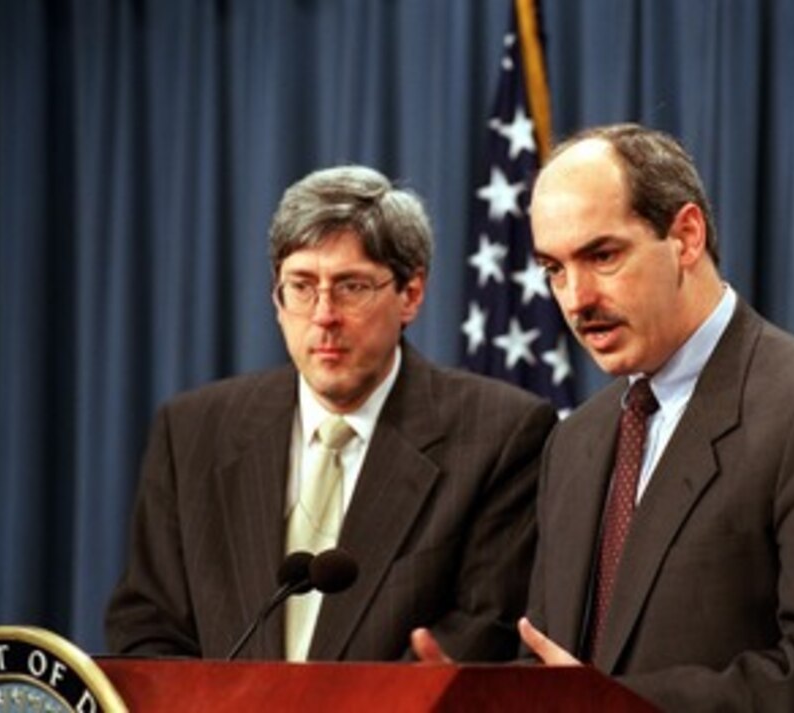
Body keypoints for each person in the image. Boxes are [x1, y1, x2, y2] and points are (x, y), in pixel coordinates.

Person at [413, 124, 794, 711]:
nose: (575, 299)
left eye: (602, 256)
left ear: (685, 236)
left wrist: (607, 705)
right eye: (554, 268)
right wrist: (495, 700)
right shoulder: (575, 440)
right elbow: (555, 668)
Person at [106, 165, 557, 662]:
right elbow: (147, 626)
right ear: (277, 299)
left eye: (351, 287)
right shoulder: (193, 431)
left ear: (410, 294)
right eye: (301, 286)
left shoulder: (500, 434)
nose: (323, 315)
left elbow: (480, 625)